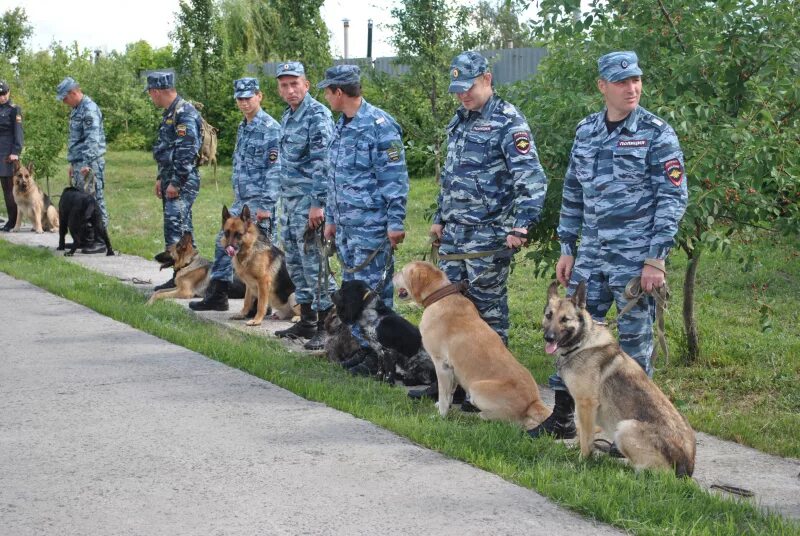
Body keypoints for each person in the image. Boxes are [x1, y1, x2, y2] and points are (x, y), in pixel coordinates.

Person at [527, 51, 688, 439]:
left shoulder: (656, 132)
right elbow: (573, 192)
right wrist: (567, 246)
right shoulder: (587, 132)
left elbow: (673, 197)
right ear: (602, 86)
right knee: (570, 336)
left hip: (635, 261)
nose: (631, 88)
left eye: (636, 80)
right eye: (621, 82)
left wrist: (656, 259)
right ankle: (566, 416)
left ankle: (639, 427)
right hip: (591, 257)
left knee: (632, 347)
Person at [408, 50, 548, 404]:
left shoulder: (508, 122)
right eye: (457, 89)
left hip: (488, 236)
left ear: (487, 79)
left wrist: (522, 226)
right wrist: (440, 217)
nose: (462, 95)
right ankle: (450, 387)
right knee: (449, 315)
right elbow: (451, 178)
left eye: (467, 87)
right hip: (455, 235)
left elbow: (531, 179)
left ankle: (493, 387)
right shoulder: (460, 121)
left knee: (487, 317)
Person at [320, 65, 408, 308]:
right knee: (351, 295)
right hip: (346, 229)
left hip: (371, 229)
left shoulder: (380, 126)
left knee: (372, 296)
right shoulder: (341, 126)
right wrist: (330, 219)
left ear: (339, 92)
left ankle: (378, 346)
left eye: (327, 92)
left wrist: (395, 223)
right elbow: (334, 177)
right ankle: (358, 344)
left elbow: (395, 178)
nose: (326, 97)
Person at [189, 77, 280, 311]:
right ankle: (218, 294)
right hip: (242, 200)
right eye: (240, 99)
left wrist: (266, 205)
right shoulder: (244, 125)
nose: (244, 103)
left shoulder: (270, 128)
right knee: (224, 244)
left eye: (248, 98)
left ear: (259, 96)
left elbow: (274, 169)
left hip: (259, 203)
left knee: (260, 257)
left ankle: (263, 305)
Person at [273, 62, 337, 349]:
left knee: (316, 265)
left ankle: (329, 326)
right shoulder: (288, 116)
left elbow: (323, 164)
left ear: (306, 85)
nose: (290, 90)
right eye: (284, 85)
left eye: (294, 84)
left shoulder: (317, 116)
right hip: (290, 204)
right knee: (296, 264)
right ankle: (308, 321)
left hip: (310, 204)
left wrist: (318, 204)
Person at [147, 72, 202, 292]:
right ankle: (189, 276)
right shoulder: (171, 113)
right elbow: (166, 149)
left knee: (177, 231)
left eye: (151, 94)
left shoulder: (184, 113)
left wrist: (176, 182)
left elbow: (187, 152)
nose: (151, 98)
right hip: (171, 178)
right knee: (182, 229)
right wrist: (161, 177)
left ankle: (180, 277)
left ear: (156, 92)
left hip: (183, 181)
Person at [56, 77, 108, 253]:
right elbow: (77, 140)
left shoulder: (89, 109)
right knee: (82, 204)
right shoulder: (77, 109)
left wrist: (86, 164)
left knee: (94, 202)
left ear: (74, 92)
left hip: (90, 164)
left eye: (65, 98)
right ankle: (86, 239)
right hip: (80, 163)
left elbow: (92, 140)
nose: (64, 102)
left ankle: (100, 240)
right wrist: (73, 163)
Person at [0, 80, 23, 232]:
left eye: (4, 93)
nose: (2, 97)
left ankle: (13, 221)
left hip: (7, 153)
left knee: (8, 189)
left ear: (9, 92)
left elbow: (18, 132)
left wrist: (16, 152)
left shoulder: (14, 109)